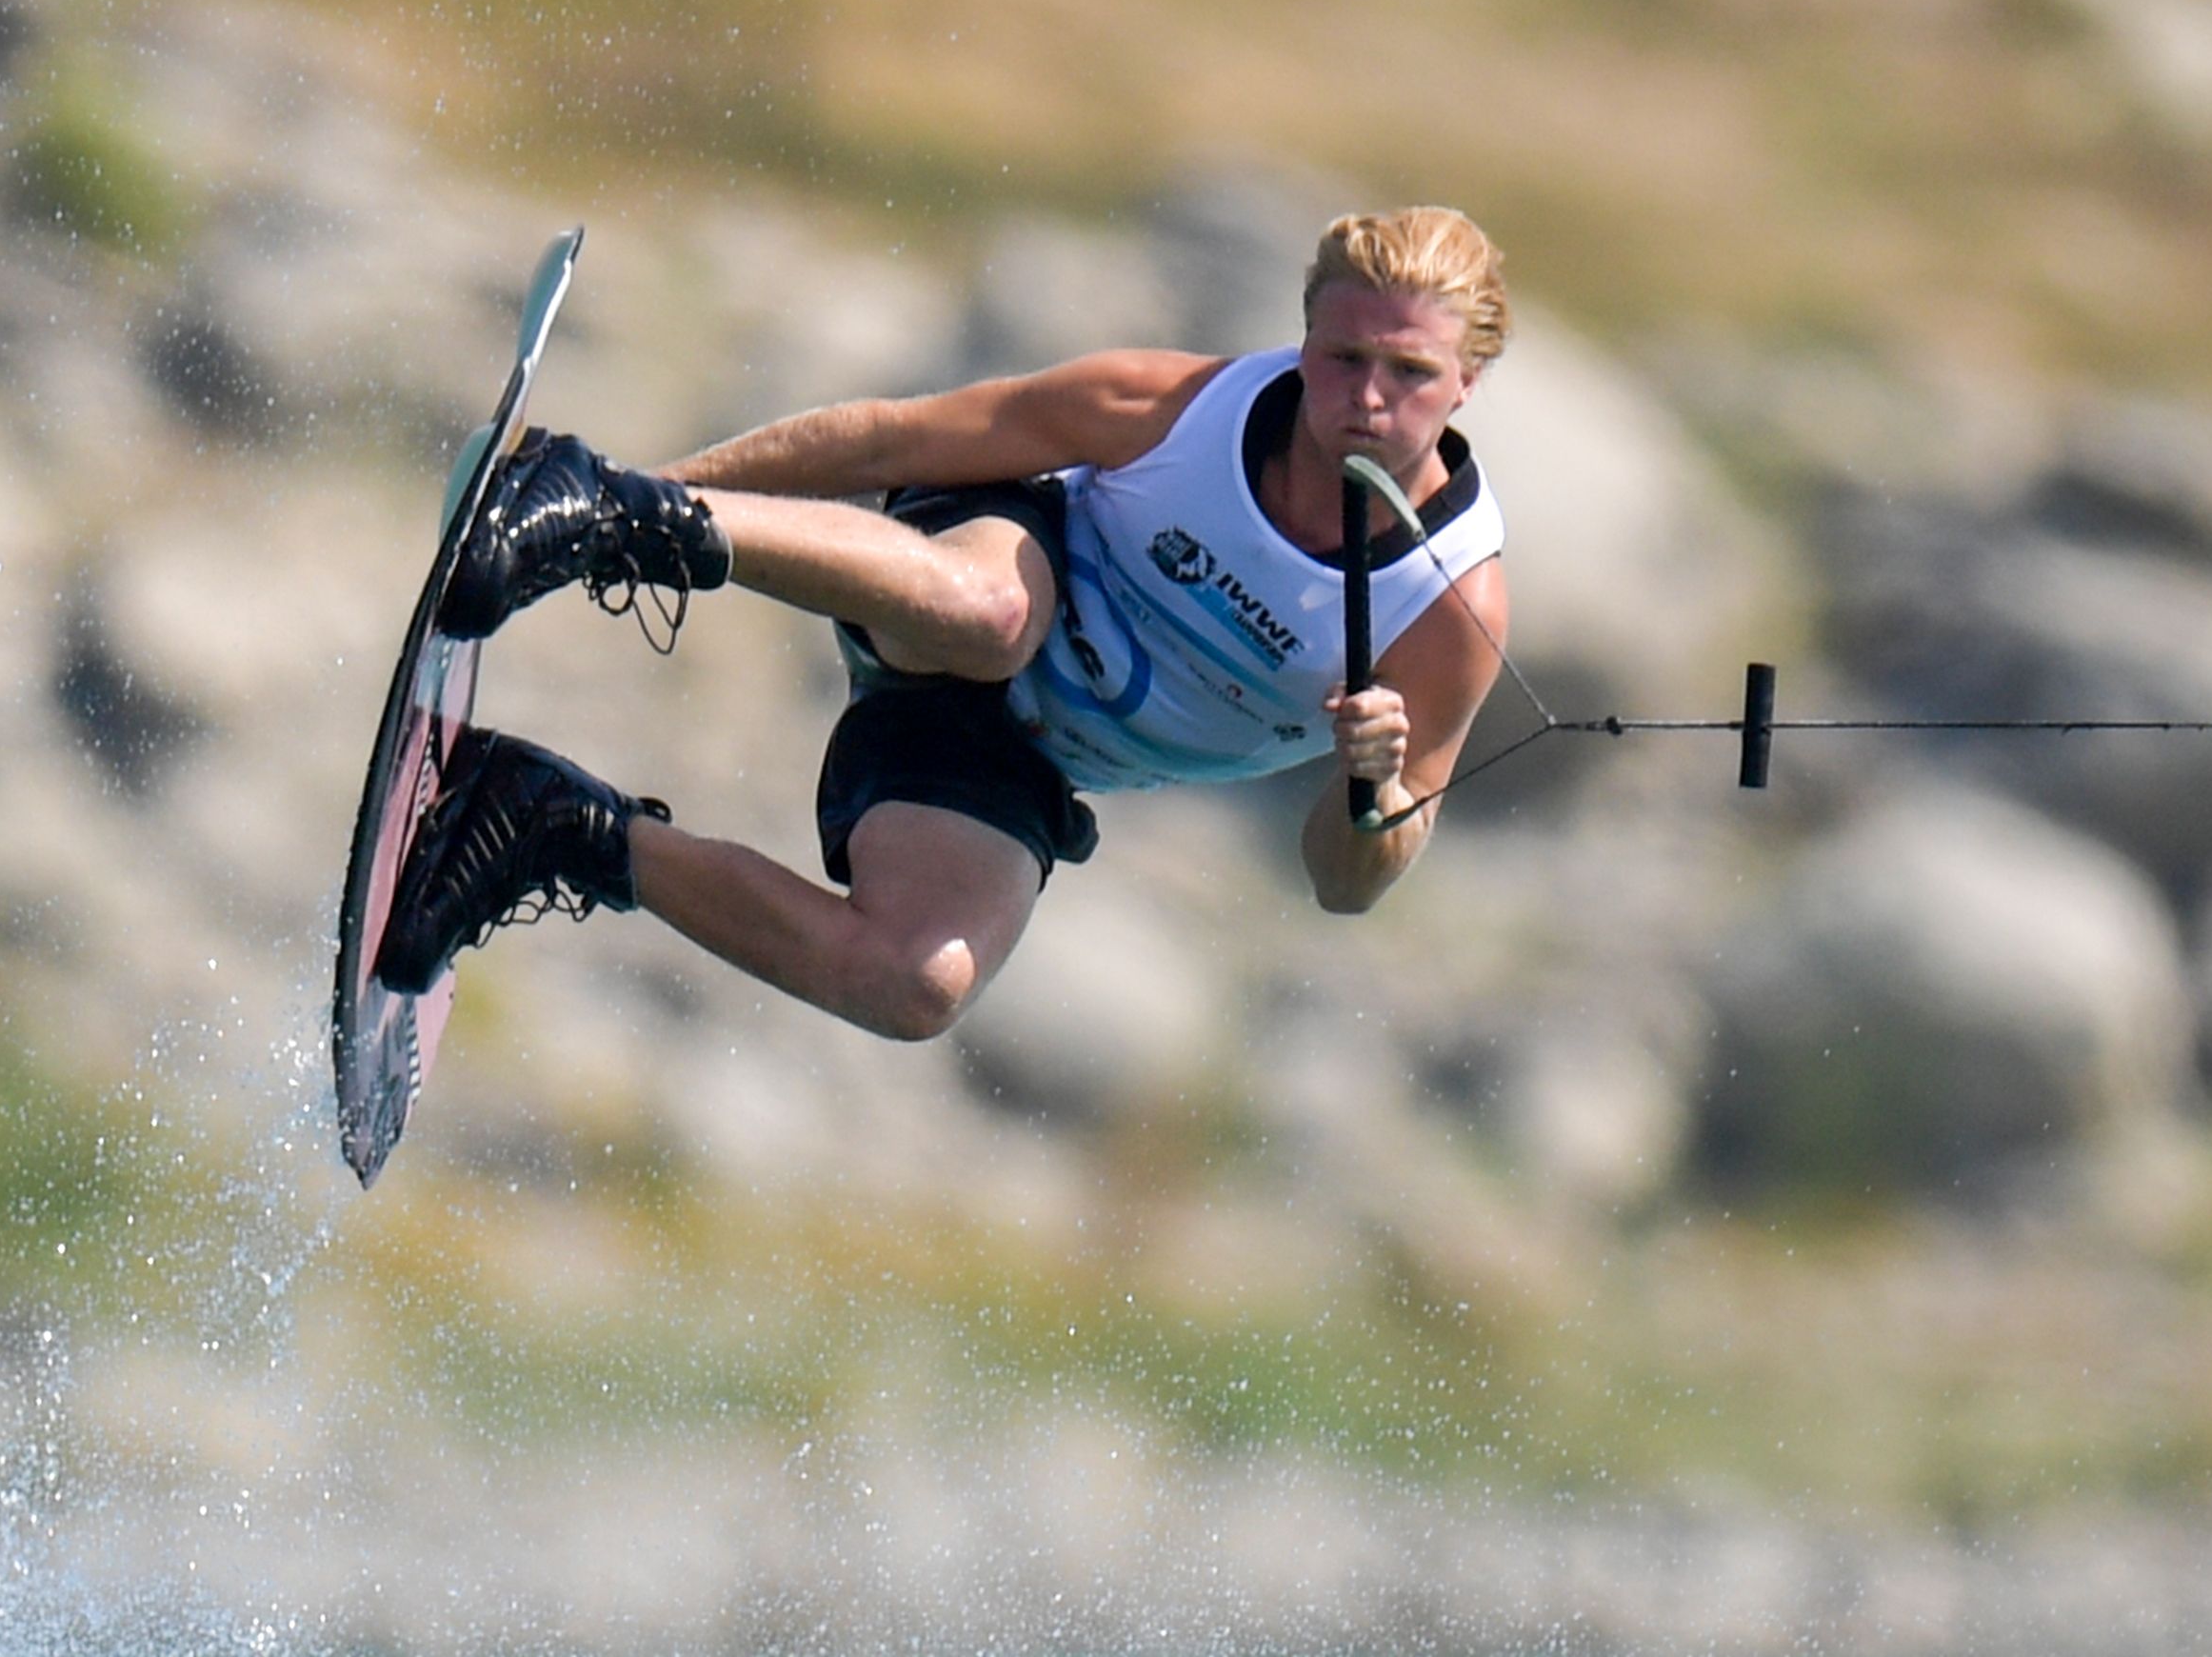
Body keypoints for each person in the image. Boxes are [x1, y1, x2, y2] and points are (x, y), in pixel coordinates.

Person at [373, 205, 1518, 1042]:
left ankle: (541, 822)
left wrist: (1371, 794)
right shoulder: (1177, 410)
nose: (1365, 397)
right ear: (1302, 337)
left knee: (915, 983)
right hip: (966, 573)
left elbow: (1347, 881)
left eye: (1408, 372)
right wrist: (623, 489)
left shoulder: (1448, 608)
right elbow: (889, 440)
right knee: (992, 612)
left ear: (1467, 381)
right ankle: (604, 514)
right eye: (1341, 356)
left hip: (1006, 748)